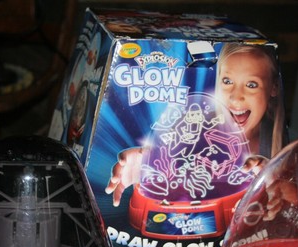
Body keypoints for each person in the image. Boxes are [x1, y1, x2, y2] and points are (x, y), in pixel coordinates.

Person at [105, 42, 285, 207]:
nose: (236, 97)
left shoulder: (276, 142)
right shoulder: (196, 133)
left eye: (252, 84)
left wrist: (277, 185)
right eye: (227, 81)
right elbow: (174, 178)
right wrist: (149, 167)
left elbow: (292, 205)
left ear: (274, 87)